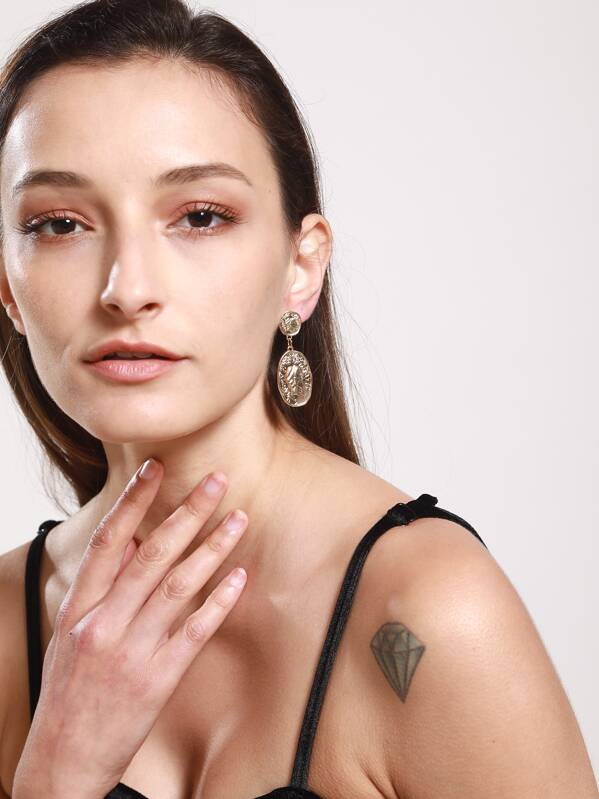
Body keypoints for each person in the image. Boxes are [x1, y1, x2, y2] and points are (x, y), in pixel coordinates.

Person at [0, 1, 596, 798]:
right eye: (59, 224)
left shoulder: (425, 611)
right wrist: (56, 773)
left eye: (200, 216)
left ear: (301, 266)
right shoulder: (4, 626)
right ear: (7, 288)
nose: (126, 288)